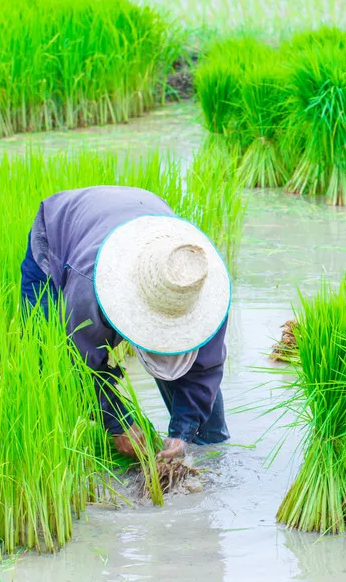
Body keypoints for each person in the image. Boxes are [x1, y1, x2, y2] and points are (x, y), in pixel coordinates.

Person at [20, 186, 231, 460]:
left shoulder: (202, 284)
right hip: (63, 228)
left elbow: (205, 369)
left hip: (145, 218)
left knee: (203, 430)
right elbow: (74, 365)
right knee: (45, 356)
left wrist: (183, 432)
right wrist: (117, 423)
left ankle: (211, 449)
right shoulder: (90, 285)